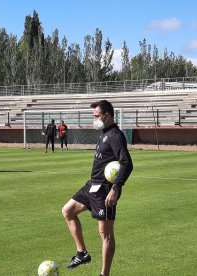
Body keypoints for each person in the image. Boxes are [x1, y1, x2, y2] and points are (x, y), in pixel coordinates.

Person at [61, 100, 133, 276]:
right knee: (68, 211)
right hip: (92, 184)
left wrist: (115, 188)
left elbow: (127, 163)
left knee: (105, 233)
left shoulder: (116, 135)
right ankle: (82, 253)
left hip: (105, 190)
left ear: (107, 116)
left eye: (97, 116)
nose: (94, 119)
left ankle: (104, 274)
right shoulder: (104, 134)